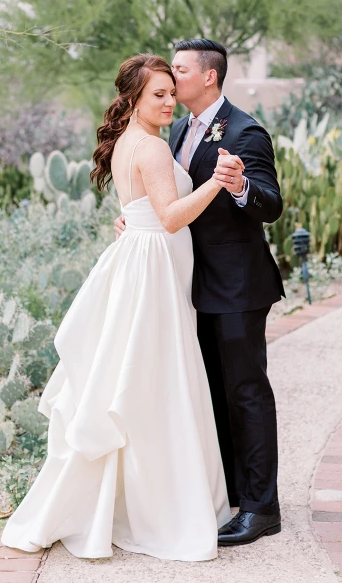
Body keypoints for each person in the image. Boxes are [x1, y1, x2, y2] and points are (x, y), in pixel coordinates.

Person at [1, 53, 235, 562]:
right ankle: (160, 509)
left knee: (136, 378)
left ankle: (128, 501)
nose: (170, 101)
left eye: (172, 92)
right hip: (152, 269)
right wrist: (217, 182)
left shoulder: (131, 143)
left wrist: (137, 221)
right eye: (158, 94)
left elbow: (141, 211)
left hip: (140, 259)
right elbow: (171, 218)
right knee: (155, 381)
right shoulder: (150, 148)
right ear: (133, 98)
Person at [115, 38, 285, 546]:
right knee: (211, 393)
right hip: (189, 285)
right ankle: (232, 493)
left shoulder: (243, 130)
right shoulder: (179, 130)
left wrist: (237, 187)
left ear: (208, 76)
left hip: (236, 286)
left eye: (181, 71)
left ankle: (261, 508)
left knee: (246, 393)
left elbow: (271, 203)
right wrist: (136, 218)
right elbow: (166, 196)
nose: (173, 79)